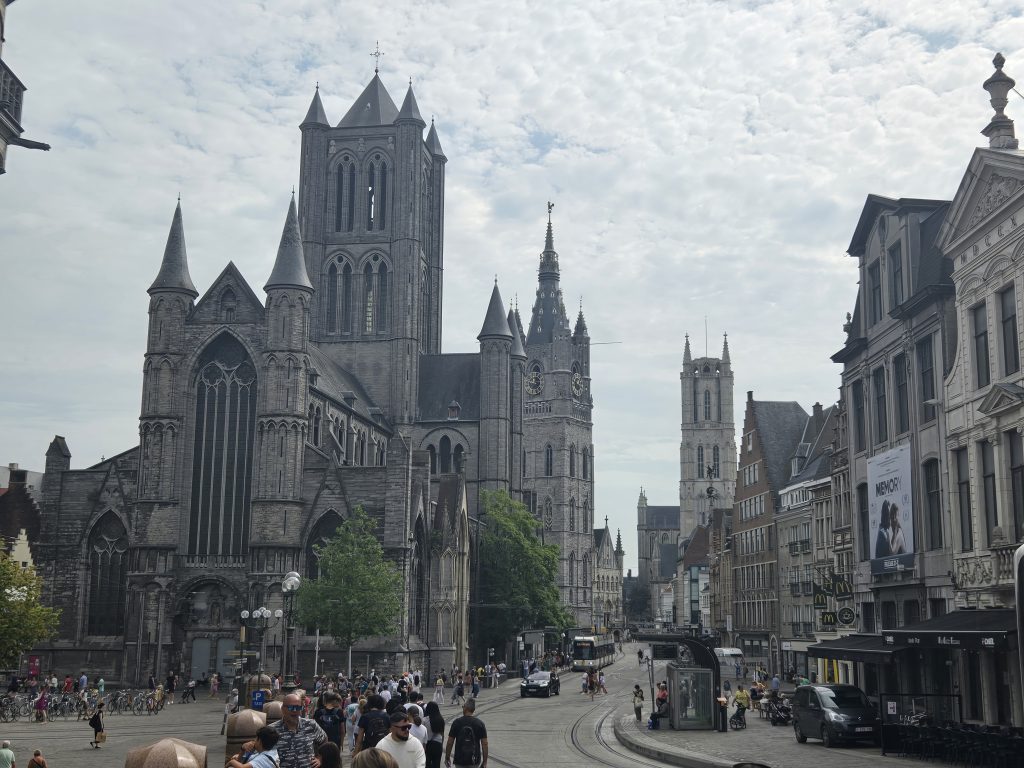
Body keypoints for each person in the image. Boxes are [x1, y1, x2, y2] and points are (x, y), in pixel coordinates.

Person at [271, 692, 328, 768]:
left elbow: (324, 740)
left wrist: (319, 758)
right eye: (291, 707)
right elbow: (261, 750)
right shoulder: (272, 730)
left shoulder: (311, 725)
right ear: (283, 709)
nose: (295, 711)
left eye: (298, 708)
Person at [445, 698, 486, 768]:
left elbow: (450, 742)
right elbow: (485, 743)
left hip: (460, 760)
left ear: (466, 708)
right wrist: (485, 761)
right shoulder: (480, 724)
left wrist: (447, 757)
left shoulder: (456, 722)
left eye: (463, 706)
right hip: (474, 759)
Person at [423, 701, 445, 768]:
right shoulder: (441, 719)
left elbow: (423, 735)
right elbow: (442, 734)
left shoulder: (424, 720)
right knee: (437, 764)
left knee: (427, 764)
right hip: (438, 744)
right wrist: (441, 744)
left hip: (428, 745)